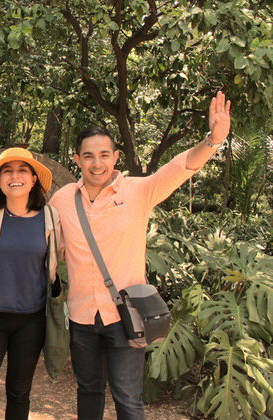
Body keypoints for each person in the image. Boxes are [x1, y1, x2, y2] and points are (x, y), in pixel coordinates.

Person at [48, 92, 231, 420]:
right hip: (81, 316)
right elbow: (43, 237)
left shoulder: (138, 192)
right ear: (76, 159)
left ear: (115, 157)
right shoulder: (62, 200)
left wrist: (212, 140)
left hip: (125, 316)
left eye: (104, 154)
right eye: (88, 156)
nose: (97, 163)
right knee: (88, 391)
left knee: (127, 399)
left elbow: (180, 168)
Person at [0, 148, 62, 420]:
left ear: (33, 180)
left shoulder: (51, 218)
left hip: (31, 320)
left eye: (22, 170)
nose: (15, 176)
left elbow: (60, 257)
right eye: (7, 170)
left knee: (19, 394)